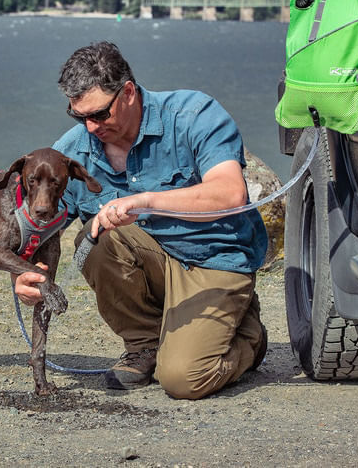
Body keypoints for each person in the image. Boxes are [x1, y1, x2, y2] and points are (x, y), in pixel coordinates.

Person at [14, 41, 268, 400]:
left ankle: (248, 338)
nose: (90, 127)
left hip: (213, 261)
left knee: (182, 380)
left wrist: (148, 201)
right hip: (154, 265)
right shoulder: (72, 152)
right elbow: (40, 230)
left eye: (100, 115)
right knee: (96, 236)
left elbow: (229, 193)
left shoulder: (194, 114)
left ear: (128, 92)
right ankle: (146, 343)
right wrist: (27, 274)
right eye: (79, 116)